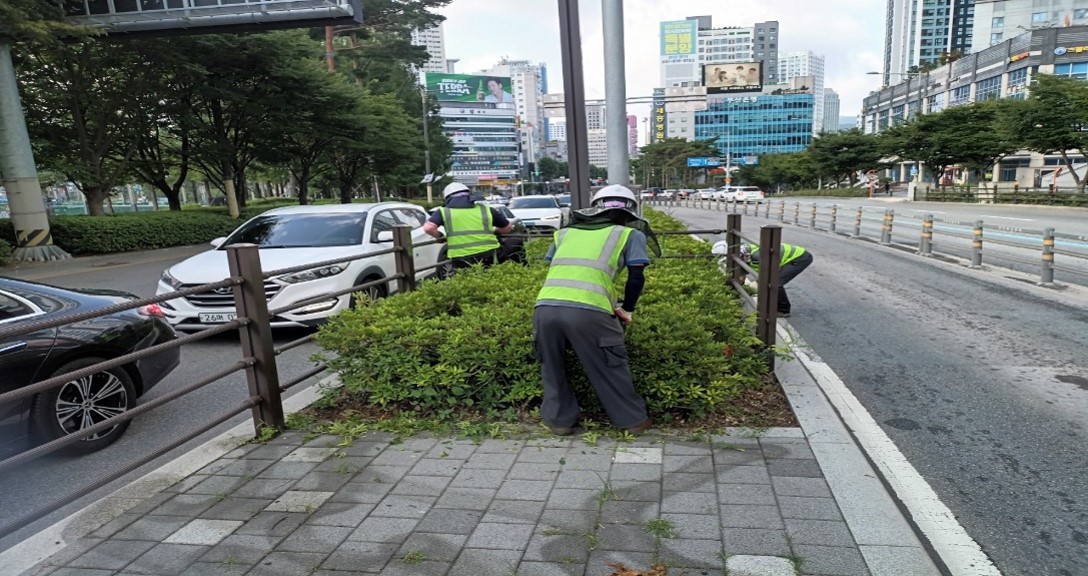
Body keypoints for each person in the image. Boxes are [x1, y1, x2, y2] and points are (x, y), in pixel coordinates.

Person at [533, 185, 654, 437]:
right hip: (589, 310)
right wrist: (627, 309)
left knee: (551, 366)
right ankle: (632, 421)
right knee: (609, 365)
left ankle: (560, 422)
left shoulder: (564, 233)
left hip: (545, 307)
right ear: (630, 211)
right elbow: (636, 278)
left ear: (595, 207)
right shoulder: (629, 234)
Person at [423, 183, 513, 268]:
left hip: (460, 256)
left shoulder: (443, 211)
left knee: (467, 277)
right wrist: (495, 232)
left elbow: (428, 228)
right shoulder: (486, 209)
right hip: (490, 252)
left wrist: (441, 237)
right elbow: (508, 227)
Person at [738, 241, 813, 318]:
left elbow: (773, 270)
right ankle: (773, 305)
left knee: (775, 283)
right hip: (783, 259)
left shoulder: (757, 256)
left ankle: (783, 310)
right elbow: (741, 275)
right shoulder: (743, 256)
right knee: (767, 281)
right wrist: (740, 289)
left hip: (799, 257)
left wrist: (756, 285)